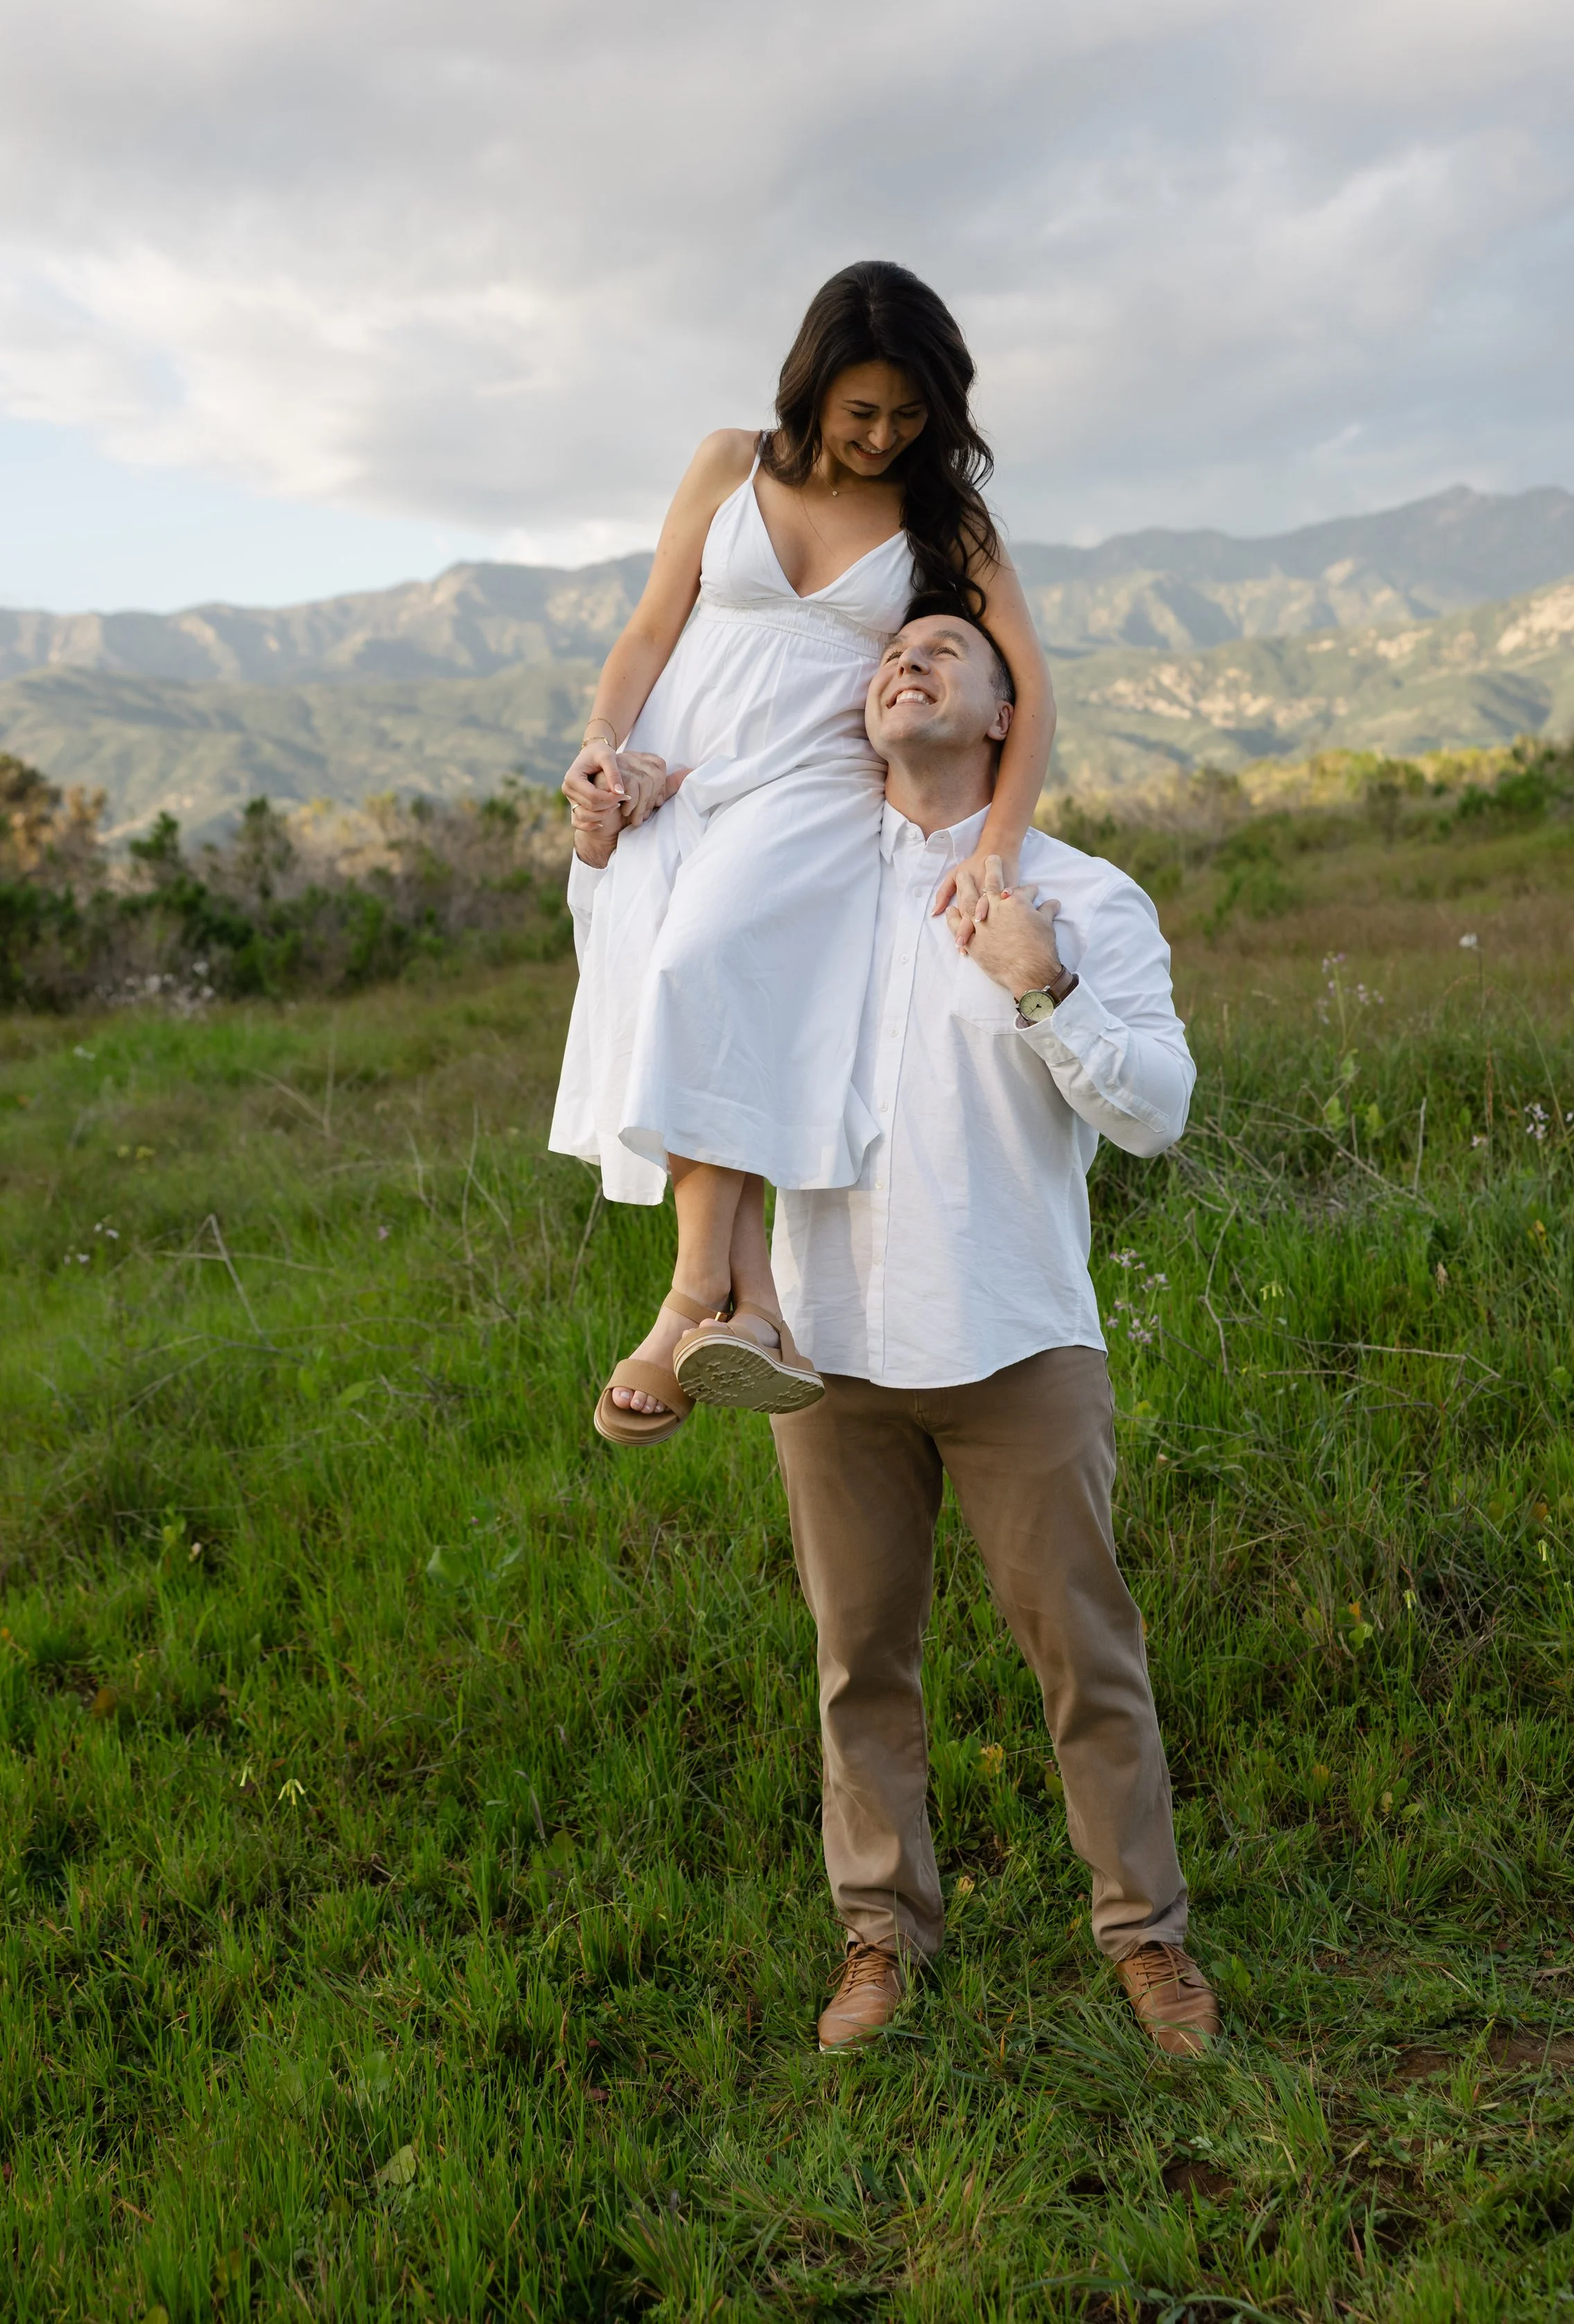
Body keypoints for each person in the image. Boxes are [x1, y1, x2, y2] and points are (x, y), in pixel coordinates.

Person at [568, 604, 1219, 2061]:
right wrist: (614, 827)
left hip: (1018, 1340)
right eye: (885, 653)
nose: (901, 664)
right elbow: (640, 966)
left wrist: (1039, 982)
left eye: (942, 648)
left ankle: (1146, 1938)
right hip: (824, 1351)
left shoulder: (1079, 894)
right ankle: (879, 1940)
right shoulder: (797, 881)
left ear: (1006, 713)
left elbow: (1158, 1113)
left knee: (1086, 1661)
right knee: (858, 1661)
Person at [548, 261, 1055, 1447]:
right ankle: (760, 1308)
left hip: (813, 780)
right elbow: (648, 626)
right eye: (862, 410)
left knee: (705, 966)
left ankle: (683, 1306)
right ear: (813, 386)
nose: (885, 437)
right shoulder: (730, 462)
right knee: (670, 978)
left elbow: (1030, 693)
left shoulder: (946, 521)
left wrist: (998, 845)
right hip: (675, 772)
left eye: (912, 415)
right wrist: (602, 749)